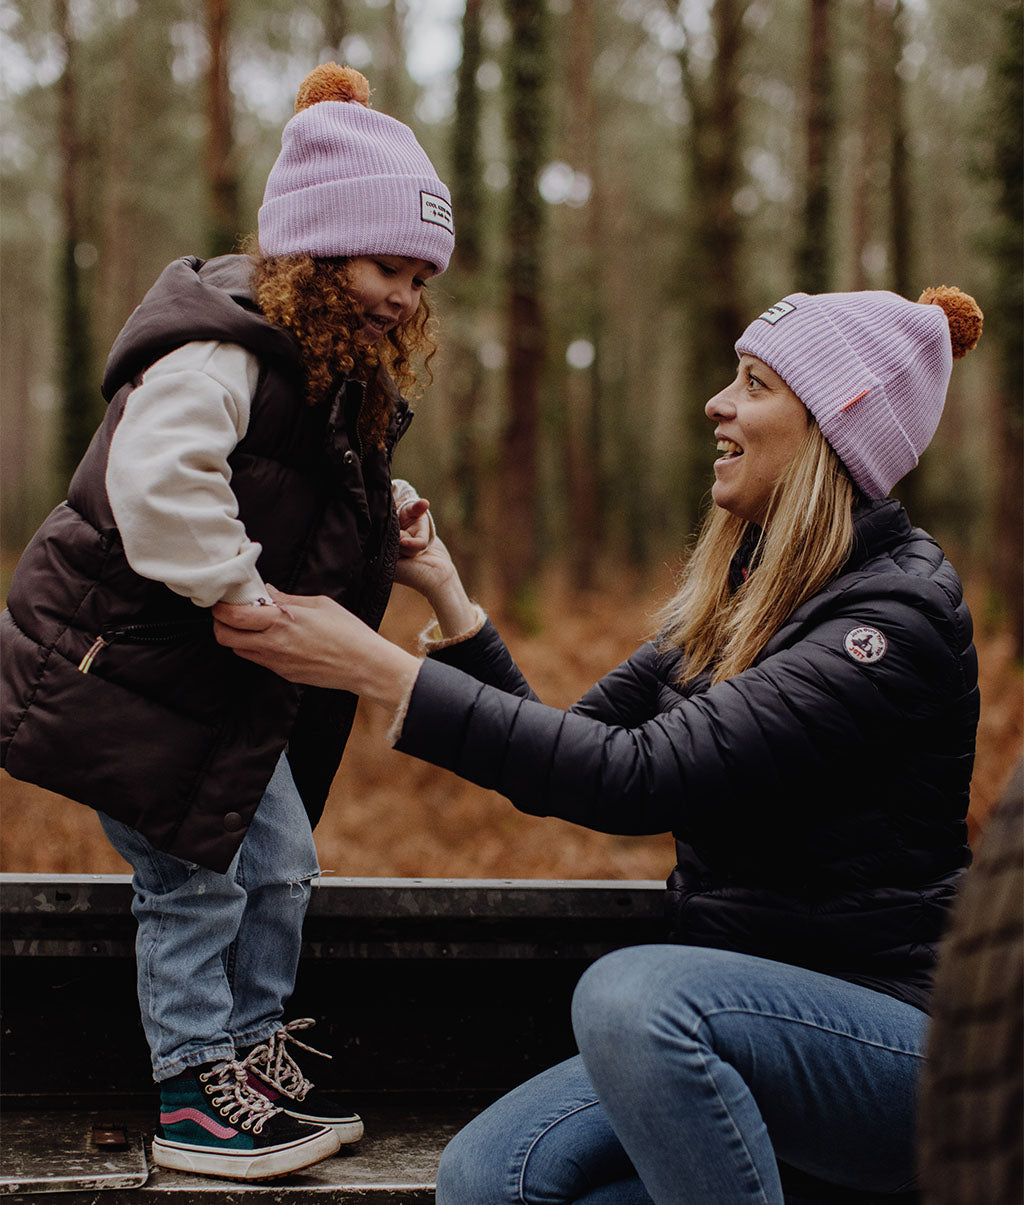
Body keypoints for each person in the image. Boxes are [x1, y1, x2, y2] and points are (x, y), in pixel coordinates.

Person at [211, 285, 983, 1203]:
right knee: (492, 1176)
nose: (717, 403)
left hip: (895, 1048)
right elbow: (576, 748)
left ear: (830, 429)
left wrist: (377, 670)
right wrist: (450, 600)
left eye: (756, 383)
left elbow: (636, 780)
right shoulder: (744, 596)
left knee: (635, 1000)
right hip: (741, 1028)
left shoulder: (889, 619)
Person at [0, 63, 454, 1182]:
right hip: (132, 673)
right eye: (387, 266)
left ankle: (249, 1046)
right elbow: (162, 483)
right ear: (315, 250)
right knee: (194, 874)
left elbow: (294, 490)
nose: (403, 295)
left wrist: (379, 513)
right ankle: (195, 1085)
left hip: (217, 684)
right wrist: (235, 587)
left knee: (280, 860)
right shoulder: (222, 346)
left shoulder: (333, 376)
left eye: (418, 278)